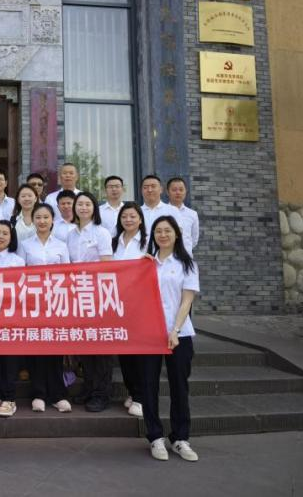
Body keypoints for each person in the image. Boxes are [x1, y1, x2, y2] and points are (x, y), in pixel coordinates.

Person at [143, 215, 200, 462]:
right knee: (148, 386)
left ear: (176, 234)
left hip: (180, 334)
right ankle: (155, 437)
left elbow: (187, 301)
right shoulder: (146, 264)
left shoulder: (187, 264)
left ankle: (180, 438)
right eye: (158, 231)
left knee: (179, 386)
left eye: (167, 230)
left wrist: (175, 330)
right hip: (149, 334)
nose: (163, 235)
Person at [20, 203, 72, 413]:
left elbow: (67, 274)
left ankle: (58, 395)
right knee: (36, 349)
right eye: (38, 217)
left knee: (55, 349)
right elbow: (19, 274)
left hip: (55, 302)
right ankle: (38, 394)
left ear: (52, 220)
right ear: (33, 220)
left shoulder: (61, 245)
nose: (42, 221)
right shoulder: (25, 245)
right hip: (32, 303)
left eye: (46, 217)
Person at [68, 191, 114, 412]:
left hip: (97, 294)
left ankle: (101, 394)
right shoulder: (71, 234)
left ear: (94, 208)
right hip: (76, 295)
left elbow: (106, 264)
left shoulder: (101, 232)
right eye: (80, 204)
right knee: (84, 344)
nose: (83, 208)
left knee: (101, 346)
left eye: (88, 204)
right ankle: (88, 387)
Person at [112, 202, 148, 418]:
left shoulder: (148, 242)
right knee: (124, 352)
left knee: (139, 353)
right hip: (118, 304)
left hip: (141, 305)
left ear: (140, 219)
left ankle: (141, 397)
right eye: (124, 216)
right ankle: (132, 391)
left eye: (133, 216)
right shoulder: (114, 241)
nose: (128, 220)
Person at [0, 220, 25, 417]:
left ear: (12, 238)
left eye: (5, 233)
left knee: (9, 359)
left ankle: (10, 398)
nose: (0, 236)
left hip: (11, 318)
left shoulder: (17, 261)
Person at [140, 175, 183, 246]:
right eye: (145, 187)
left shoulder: (172, 210)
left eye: (153, 186)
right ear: (141, 191)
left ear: (161, 189)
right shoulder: (137, 212)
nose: (149, 190)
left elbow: (179, 234)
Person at [167, 177, 199, 252]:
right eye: (174, 190)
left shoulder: (192, 214)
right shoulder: (161, 211)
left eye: (181, 190)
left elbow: (194, 239)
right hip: (166, 256)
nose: (178, 192)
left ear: (185, 192)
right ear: (168, 192)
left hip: (186, 255)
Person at [10, 183, 39, 248]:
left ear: (35, 199)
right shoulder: (13, 220)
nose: (27, 199)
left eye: (30, 196)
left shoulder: (42, 219)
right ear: (18, 200)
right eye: (23, 196)